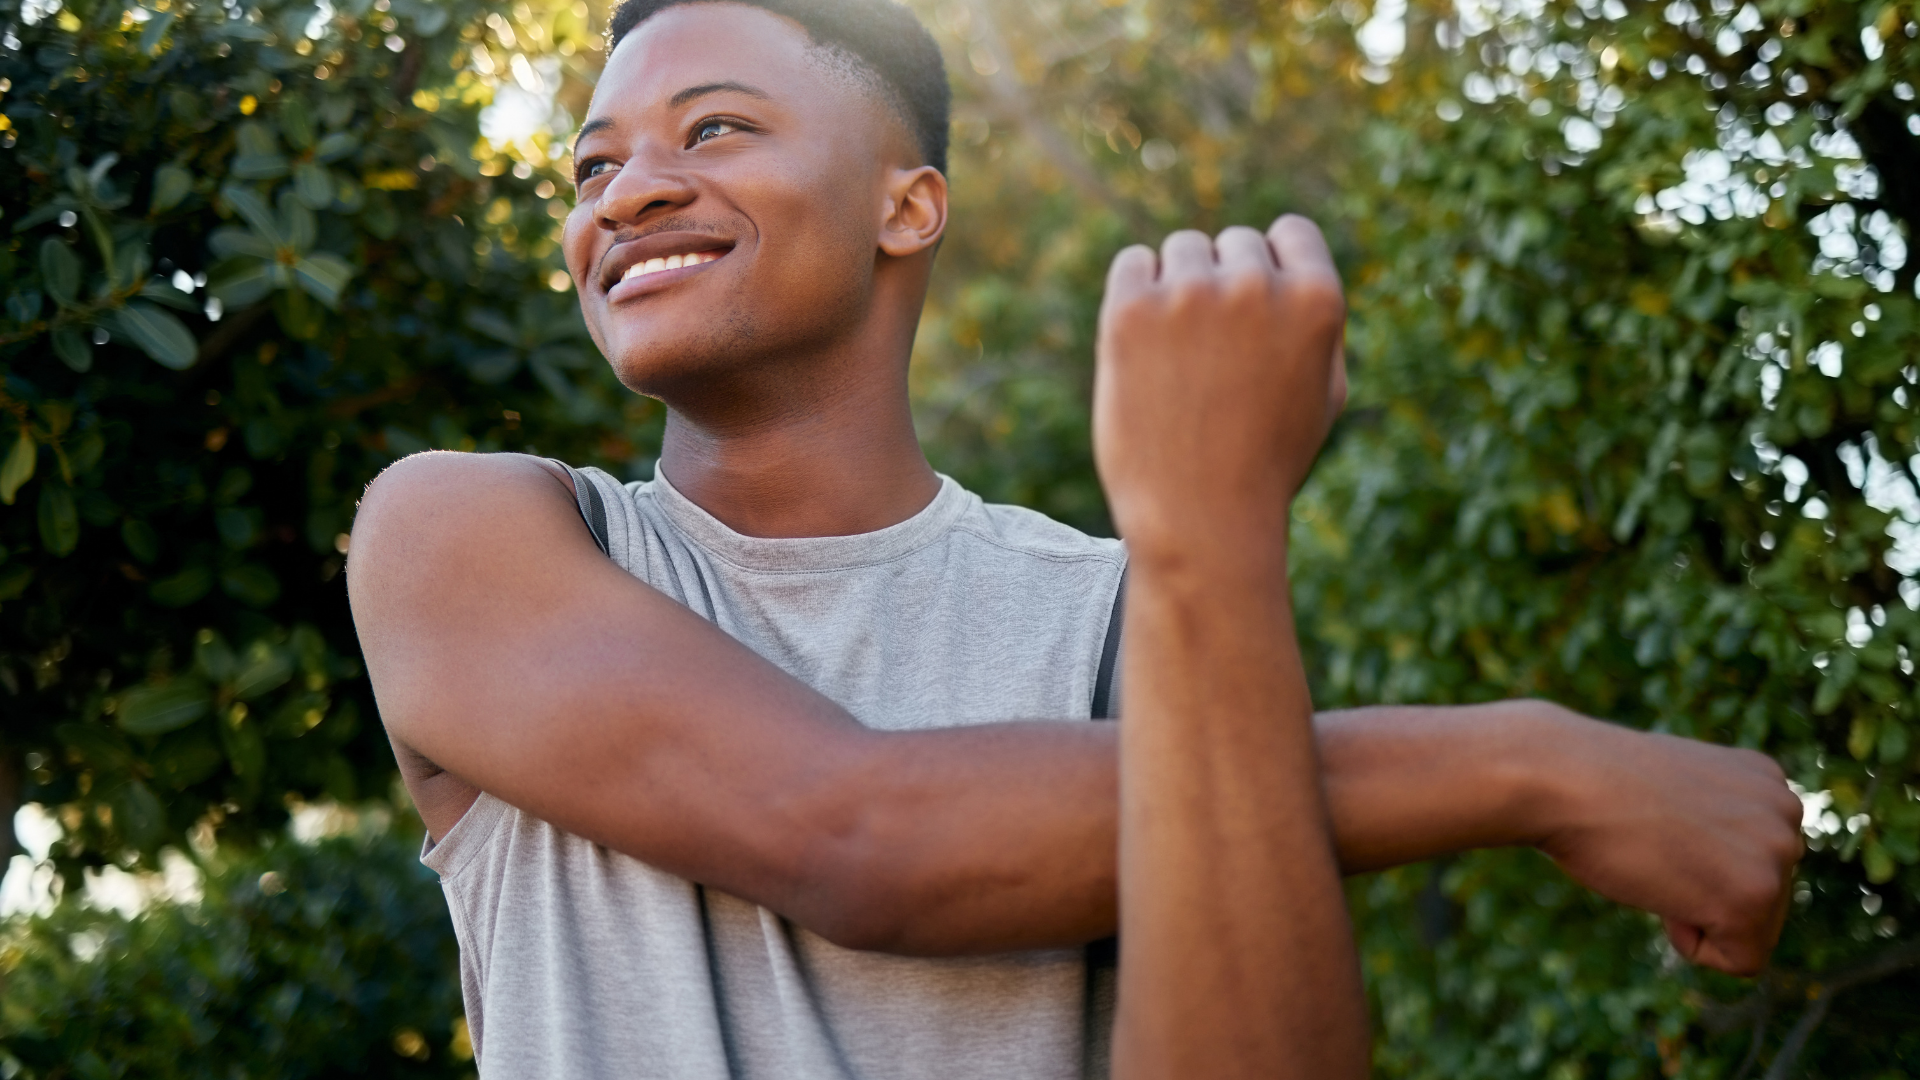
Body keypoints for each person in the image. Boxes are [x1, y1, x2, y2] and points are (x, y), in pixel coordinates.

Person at [345, 0, 1805, 1075]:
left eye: (714, 127)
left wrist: (1213, 532)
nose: (628, 194)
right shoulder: (463, 534)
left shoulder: (1126, 608)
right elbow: (860, 836)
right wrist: (1530, 767)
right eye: (592, 167)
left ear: (907, 205)